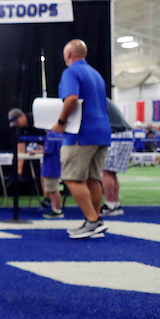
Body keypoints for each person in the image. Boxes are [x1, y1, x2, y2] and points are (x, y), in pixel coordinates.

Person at [50, 39, 110, 239]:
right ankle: (95, 220)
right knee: (93, 179)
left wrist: (60, 122)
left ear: (68, 55)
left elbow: (72, 98)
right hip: (101, 132)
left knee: (71, 177)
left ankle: (92, 220)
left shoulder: (71, 72)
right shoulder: (96, 74)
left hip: (80, 133)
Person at [101, 99, 134, 215]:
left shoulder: (95, 100)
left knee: (106, 171)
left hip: (116, 134)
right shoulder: (104, 100)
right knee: (112, 172)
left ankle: (110, 204)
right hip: (125, 134)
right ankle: (115, 204)